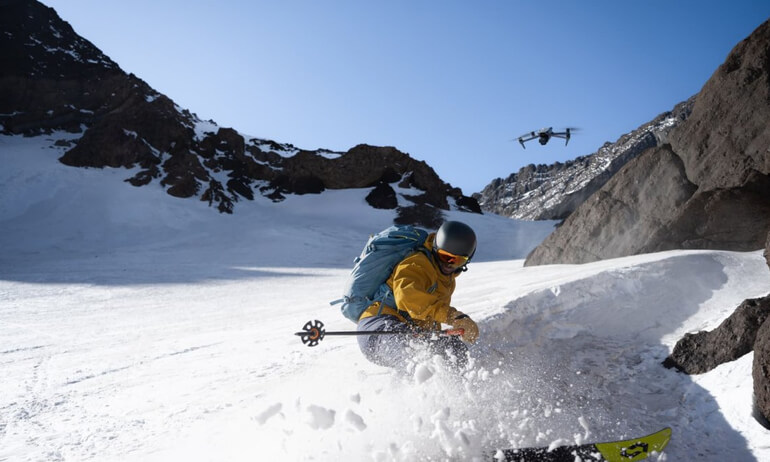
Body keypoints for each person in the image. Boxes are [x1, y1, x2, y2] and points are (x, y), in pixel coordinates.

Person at [357, 220, 480, 371]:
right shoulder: (417, 263)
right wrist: (453, 316)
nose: (449, 264)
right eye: (444, 256)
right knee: (419, 361)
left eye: (457, 260)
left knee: (453, 351)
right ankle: (417, 394)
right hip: (378, 326)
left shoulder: (447, 280)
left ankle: (461, 392)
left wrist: (443, 334)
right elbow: (408, 297)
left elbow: (429, 315)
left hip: (406, 329)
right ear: (435, 248)